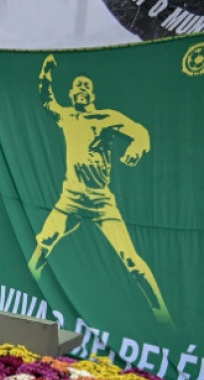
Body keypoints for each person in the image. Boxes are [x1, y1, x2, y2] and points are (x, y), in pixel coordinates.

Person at [28, 54, 171, 324]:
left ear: (91, 94)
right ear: (71, 94)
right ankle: (26, 296)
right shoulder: (68, 117)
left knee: (131, 260)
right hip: (70, 200)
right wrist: (45, 73)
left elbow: (140, 132)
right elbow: (47, 101)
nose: (81, 90)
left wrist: (136, 149)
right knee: (42, 244)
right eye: (77, 87)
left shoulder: (107, 118)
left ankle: (164, 318)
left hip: (102, 202)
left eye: (86, 87)